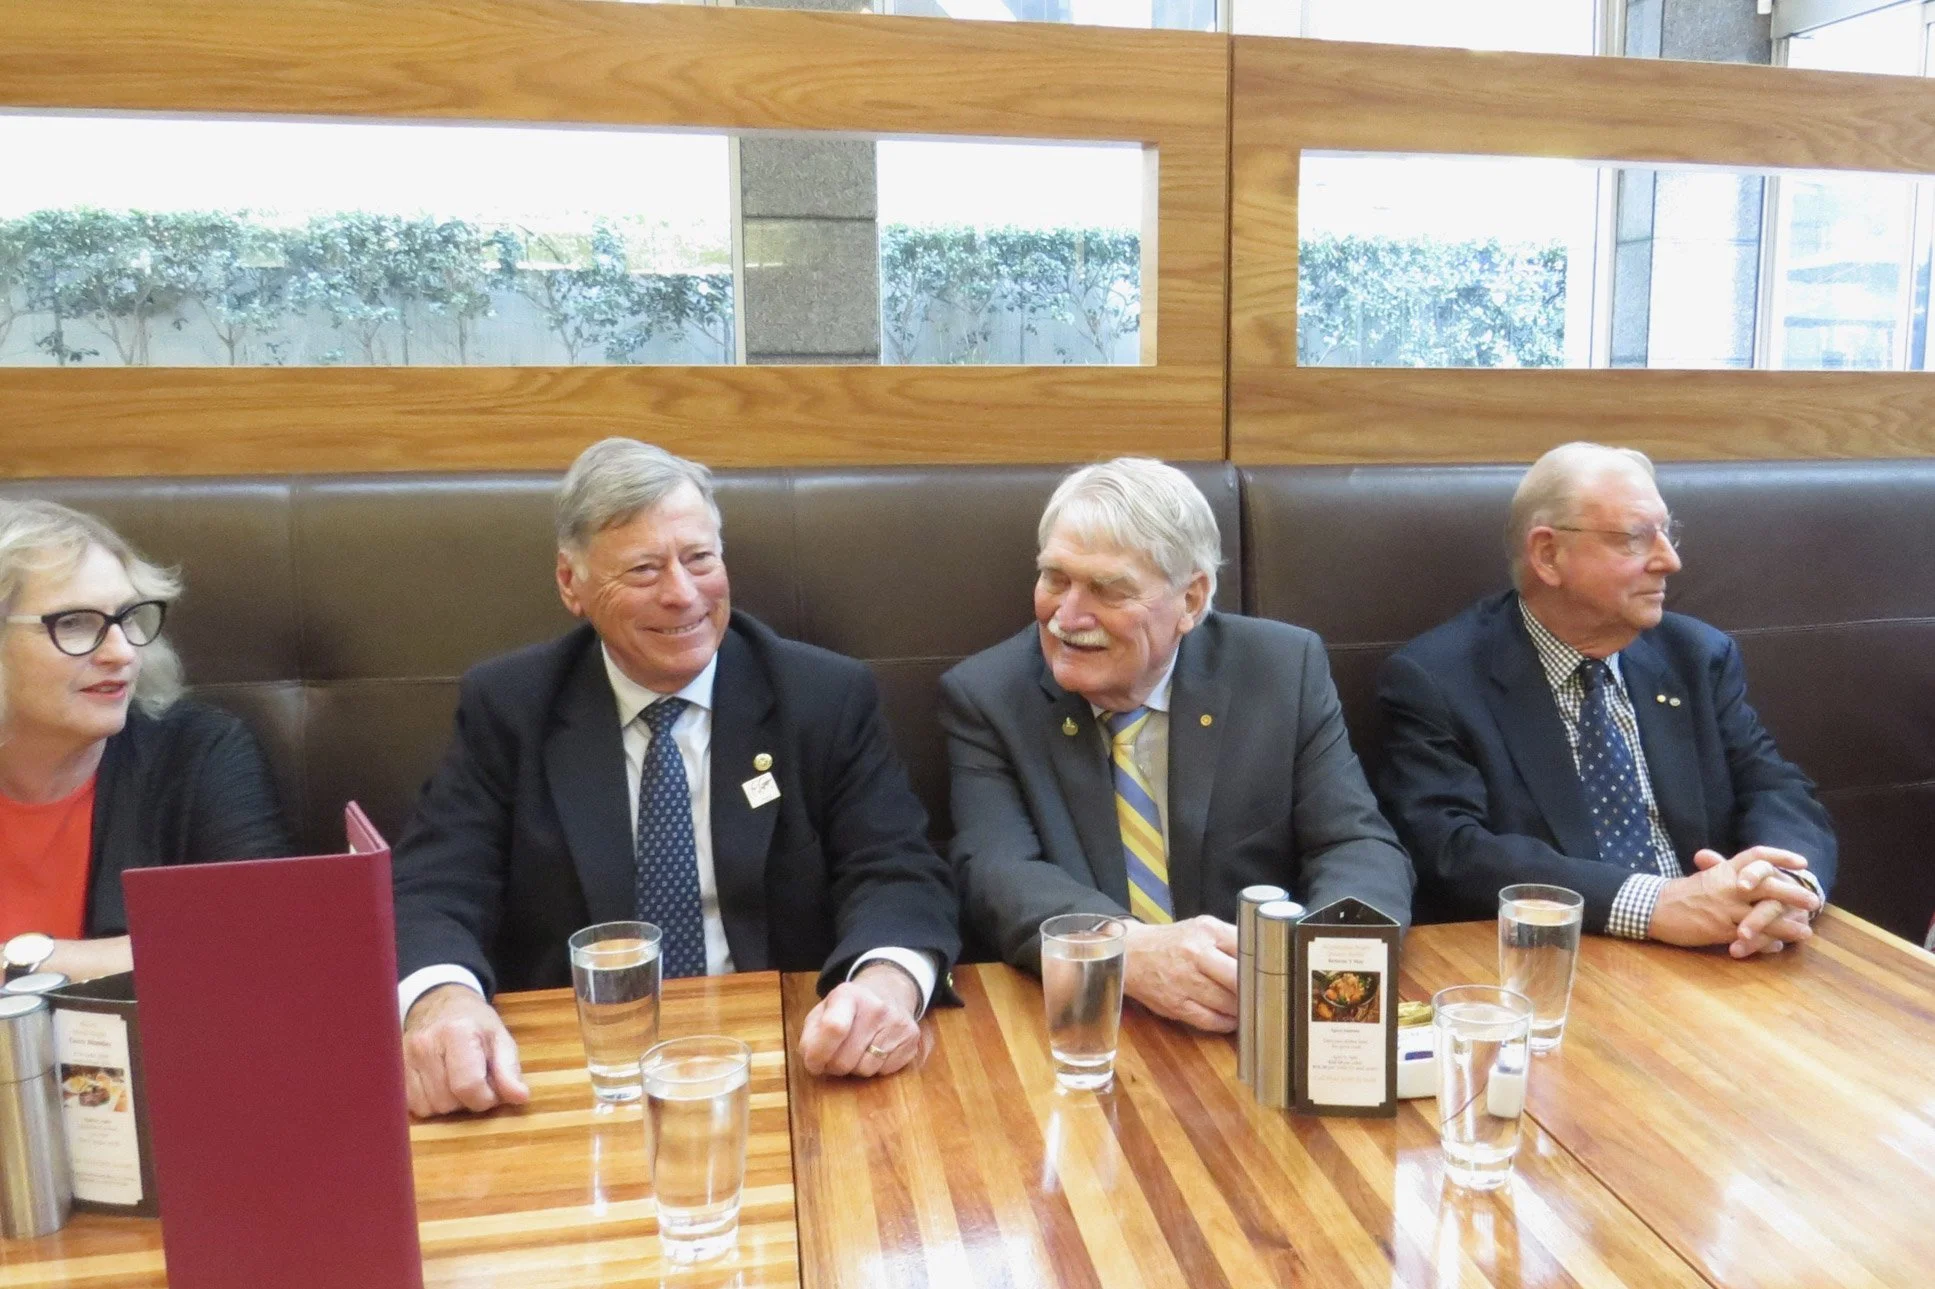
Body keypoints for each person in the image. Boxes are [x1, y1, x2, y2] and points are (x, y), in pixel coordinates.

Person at [392, 438, 961, 1116]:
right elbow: (433, 886)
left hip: (795, 1059)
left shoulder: (821, 696)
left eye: (700, 558)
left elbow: (897, 868)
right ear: (571, 584)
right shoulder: (511, 707)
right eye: (641, 570)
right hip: (574, 1070)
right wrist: (441, 1001)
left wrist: (888, 979)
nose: (682, 594)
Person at [940, 458, 1413, 1034]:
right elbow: (996, 871)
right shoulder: (988, 696)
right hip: (1087, 1023)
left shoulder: (1281, 670)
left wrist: (1327, 965)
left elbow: (1357, 844)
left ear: (1191, 601)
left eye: (1107, 590)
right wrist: (1126, 950)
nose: (1066, 616)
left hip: (1261, 1020)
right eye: (1055, 579)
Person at [1376, 442, 1833, 956]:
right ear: (1548, 555)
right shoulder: (1437, 678)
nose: (1670, 560)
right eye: (1636, 538)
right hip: (1562, 962)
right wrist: (1654, 904)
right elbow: (1453, 851)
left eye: (1667, 532)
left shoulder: (1697, 656)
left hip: (1729, 950)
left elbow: (1776, 788)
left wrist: (1787, 886)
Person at [0, 500, 289, 984]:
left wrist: (24, 963)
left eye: (128, 617)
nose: (123, 652)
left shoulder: (199, 753)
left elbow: (269, 937)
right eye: (73, 623)